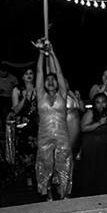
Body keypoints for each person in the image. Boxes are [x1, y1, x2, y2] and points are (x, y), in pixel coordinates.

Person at [35, 40, 73, 201]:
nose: (50, 81)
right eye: (47, 80)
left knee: (64, 167)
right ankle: (48, 194)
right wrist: (41, 53)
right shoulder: (40, 96)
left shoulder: (62, 95)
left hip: (62, 137)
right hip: (44, 137)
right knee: (45, 167)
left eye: (53, 80)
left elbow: (58, 72)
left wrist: (52, 52)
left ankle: (64, 195)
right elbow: (38, 72)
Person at [79, 92, 107, 196]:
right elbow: (83, 128)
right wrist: (99, 123)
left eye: (103, 102)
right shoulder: (91, 112)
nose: (101, 105)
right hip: (93, 147)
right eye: (98, 102)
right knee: (93, 171)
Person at [10, 67, 39, 189]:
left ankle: (40, 176)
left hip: (37, 124)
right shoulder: (17, 90)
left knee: (37, 151)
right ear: (22, 77)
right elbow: (15, 109)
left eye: (31, 73)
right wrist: (24, 98)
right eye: (26, 73)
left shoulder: (39, 88)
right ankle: (28, 178)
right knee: (25, 152)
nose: (29, 75)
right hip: (23, 125)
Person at [0, 64, 18, 133]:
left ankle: (12, 130)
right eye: (1, 71)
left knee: (11, 114)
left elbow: (18, 87)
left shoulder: (13, 78)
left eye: (4, 71)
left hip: (9, 98)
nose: (2, 73)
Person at [66, 80, 85, 161]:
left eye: (66, 82)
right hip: (65, 124)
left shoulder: (73, 94)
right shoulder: (57, 96)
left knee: (75, 145)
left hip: (75, 123)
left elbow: (82, 109)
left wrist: (79, 99)